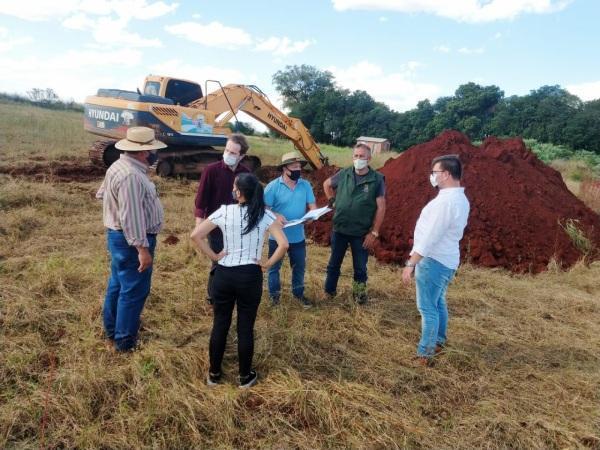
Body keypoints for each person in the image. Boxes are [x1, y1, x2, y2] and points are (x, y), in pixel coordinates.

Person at [191, 173, 288, 388]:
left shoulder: (224, 211)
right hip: (250, 276)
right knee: (245, 327)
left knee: (220, 324)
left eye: (235, 187)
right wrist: (267, 263)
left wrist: (215, 257)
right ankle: (245, 376)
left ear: (238, 192)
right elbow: (283, 245)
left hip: (224, 275)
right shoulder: (264, 215)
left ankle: (214, 374)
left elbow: (195, 235)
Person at [96, 126, 166, 352]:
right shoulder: (132, 176)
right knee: (134, 291)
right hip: (132, 242)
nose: (153, 154)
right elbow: (132, 218)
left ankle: (113, 330)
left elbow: (102, 194)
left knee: (118, 285)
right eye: (151, 150)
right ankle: (124, 342)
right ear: (144, 152)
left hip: (118, 238)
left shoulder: (118, 166)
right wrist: (142, 250)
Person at [401, 155, 470, 366]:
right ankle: (439, 341)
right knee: (438, 302)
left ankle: (425, 353)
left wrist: (411, 263)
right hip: (447, 261)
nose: (432, 176)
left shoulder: (446, 203)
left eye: (435, 172)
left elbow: (431, 237)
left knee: (427, 308)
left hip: (433, 261)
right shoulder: (459, 199)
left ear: (446, 174)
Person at [323, 143, 386, 304]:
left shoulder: (377, 179)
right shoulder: (344, 173)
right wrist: (332, 200)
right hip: (340, 229)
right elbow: (327, 184)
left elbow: (381, 207)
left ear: (369, 159)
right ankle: (329, 293)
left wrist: (374, 232)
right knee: (333, 264)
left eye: (362, 156)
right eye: (356, 156)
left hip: (361, 233)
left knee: (360, 268)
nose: (358, 159)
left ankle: (359, 297)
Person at [194, 133, 250, 304]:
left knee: (235, 262)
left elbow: (250, 199)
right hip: (216, 226)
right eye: (226, 150)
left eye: (233, 153)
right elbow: (201, 200)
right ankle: (213, 296)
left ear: (241, 156)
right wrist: (199, 225)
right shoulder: (211, 171)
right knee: (219, 261)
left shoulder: (246, 174)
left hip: (238, 226)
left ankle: (231, 293)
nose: (228, 155)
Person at [264, 152, 316, 308]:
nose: (298, 170)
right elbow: (264, 209)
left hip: (298, 236)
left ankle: (298, 295)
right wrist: (276, 214)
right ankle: (274, 298)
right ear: (284, 169)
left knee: (299, 267)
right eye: (294, 167)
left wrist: (311, 215)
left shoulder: (305, 185)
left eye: (299, 167)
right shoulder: (272, 187)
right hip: (277, 238)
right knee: (274, 268)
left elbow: (312, 206)